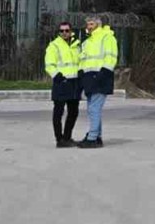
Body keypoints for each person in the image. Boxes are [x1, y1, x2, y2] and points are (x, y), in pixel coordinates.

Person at [77, 15, 118, 148]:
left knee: (94, 108)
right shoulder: (87, 42)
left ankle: (92, 137)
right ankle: (96, 136)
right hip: (89, 78)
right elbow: (83, 60)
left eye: (91, 24)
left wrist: (102, 74)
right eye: (87, 24)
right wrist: (81, 73)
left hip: (101, 77)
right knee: (92, 109)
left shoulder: (107, 37)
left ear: (98, 25)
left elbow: (111, 57)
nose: (88, 27)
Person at [44, 21, 82, 148]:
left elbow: (80, 61)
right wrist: (57, 76)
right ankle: (59, 139)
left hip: (74, 82)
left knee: (73, 112)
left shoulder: (77, 45)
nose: (64, 33)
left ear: (71, 31)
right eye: (61, 31)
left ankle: (67, 137)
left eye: (66, 30)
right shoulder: (54, 46)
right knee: (58, 112)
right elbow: (49, 64)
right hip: (61, 82)